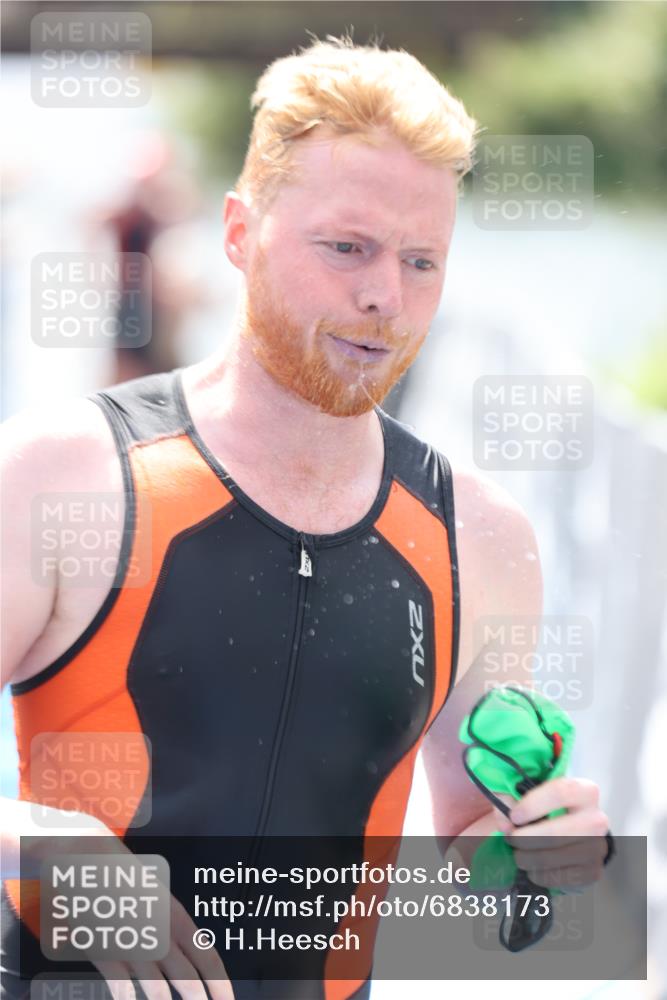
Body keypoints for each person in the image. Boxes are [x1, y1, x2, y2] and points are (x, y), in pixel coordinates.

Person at [1, 37, 610, 1000]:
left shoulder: (479, 539)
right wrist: (37, 844)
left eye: (422, 261)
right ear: (239, 233)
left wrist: (543, 864)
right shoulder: (60, 474)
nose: (384, 297)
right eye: (347, 247)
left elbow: (476, 883)